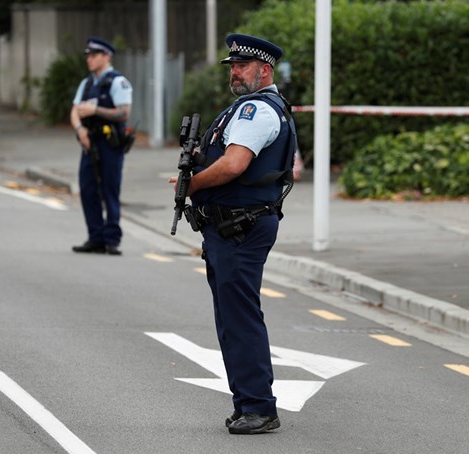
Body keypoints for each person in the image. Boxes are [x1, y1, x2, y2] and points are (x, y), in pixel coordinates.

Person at [169, 34, 297, 434]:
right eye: (233, 66)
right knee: (232, 316)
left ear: (265, 69)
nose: (236, 72)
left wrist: (192, 185)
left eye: (243, 66)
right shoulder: (245, 108)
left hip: (240, 226)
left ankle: (259, 406)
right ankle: (248, 402)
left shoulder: (256, 110)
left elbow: (234, 165)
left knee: (239, 318)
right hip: (230, 226)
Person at [71, 36, 133, 255]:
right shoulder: (87, 83)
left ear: (106, 57)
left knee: (109, 189)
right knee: (87, 189)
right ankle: (95, 237)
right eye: (88, 55)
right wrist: (80, 130)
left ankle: (112, 239)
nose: (89, 59)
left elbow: (124, 112)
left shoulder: (117, 82)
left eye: (94, 55)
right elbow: (75, 110)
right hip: (90, 142)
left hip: (110, 144)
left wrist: (96, 111)